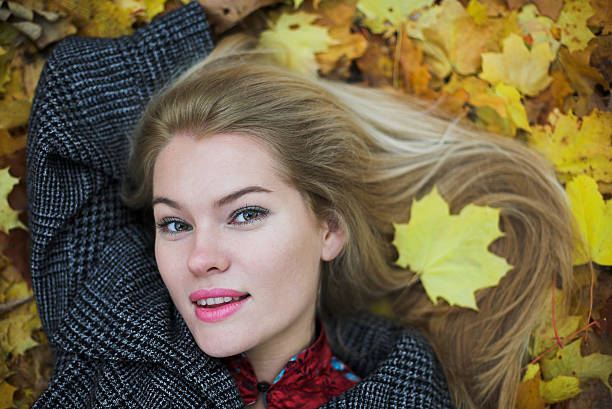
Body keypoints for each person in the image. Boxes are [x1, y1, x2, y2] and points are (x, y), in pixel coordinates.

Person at [26, 2, 574, 409]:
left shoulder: (401, 392)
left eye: (245, 213)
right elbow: (74, 96)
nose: (200, 257)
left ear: (329, 227)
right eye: (174, 222)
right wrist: (220, 10)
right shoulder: (114, 317)